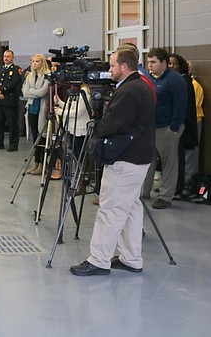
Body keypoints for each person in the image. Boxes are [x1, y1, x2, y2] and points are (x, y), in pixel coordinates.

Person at [70, 48, 156, 276]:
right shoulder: (141, 86)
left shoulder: (129, 91)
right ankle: (131, 258)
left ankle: (98, 260)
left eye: (112, 66)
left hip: (126, 160)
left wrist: (97, 126)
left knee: (110, 209)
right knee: (131, 209)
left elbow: (110, 125)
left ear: (124, 67)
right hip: (139, 157)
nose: (109, 71)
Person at [141, 47, 186, 209]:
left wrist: (173, 129)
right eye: (148, 62)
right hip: (151, 127)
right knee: (147, 160)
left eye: (153, 62)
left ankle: (166, 196)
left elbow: (181, 106)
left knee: (169, 163)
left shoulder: (175, 80)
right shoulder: (150, 77)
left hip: (167, 127)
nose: (150, 65)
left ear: (164, 63)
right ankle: (143, 191)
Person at [168, 53, 197, 195]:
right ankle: (170, 185)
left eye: (175, 64)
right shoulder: (171, 81)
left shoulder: (185, 81)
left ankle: (177, 187)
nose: (172, 66)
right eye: (169, 64)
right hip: (170, 125)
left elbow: (186, 106)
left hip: (181, 125)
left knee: (178, 158)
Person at [0, 50, 22, 152]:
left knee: (12, 124)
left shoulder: (16, 70)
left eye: (8, 56)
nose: (6, 58)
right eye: (4, 56)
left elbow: (14, 83)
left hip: (10, 101)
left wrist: (2, 90)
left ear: (13, 58)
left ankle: (13, 144)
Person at [22, 55, 50, 172]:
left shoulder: (47, 76)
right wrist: (34, 92)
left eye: (37, 61)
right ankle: (36, 162)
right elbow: (24, 92)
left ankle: (43, 164)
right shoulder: (30, 76)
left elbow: (43, 92)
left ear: (42, 62)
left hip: (42, 109)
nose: (34, 63)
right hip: (32, 108)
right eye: (32, 61)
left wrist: (31, 91)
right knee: (34, 136)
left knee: (41, 137)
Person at [185, 61, 204, 184]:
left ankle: (189, 181)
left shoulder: (194, 86)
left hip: (194, 121)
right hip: (183, 122)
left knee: (190, 153)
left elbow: (193, 106)